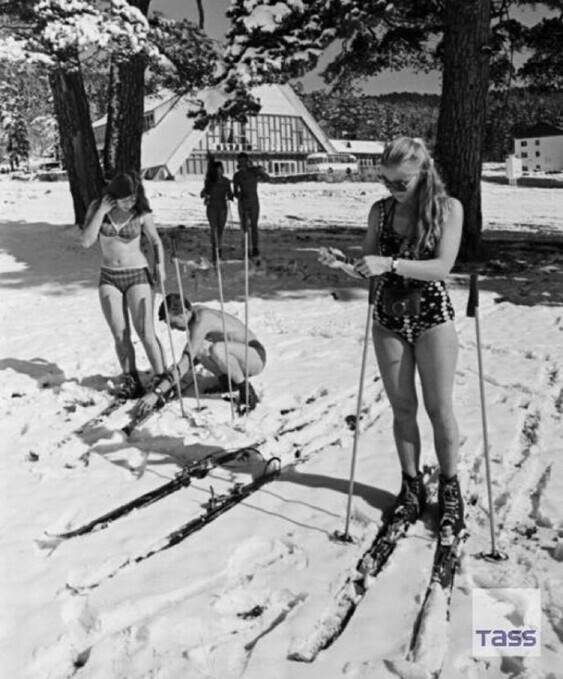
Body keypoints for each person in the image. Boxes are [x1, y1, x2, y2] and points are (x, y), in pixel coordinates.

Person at [322, 136, 464, 540]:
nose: (394, 191)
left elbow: (440, 268)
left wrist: (390, 261)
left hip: (432, 316)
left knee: (439, 408)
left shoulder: (447, 208)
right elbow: (372, 268)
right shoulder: (380, 211)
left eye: (401, 183)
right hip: (388, 317)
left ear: (424, 173)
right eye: (387, 183)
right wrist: (346, 266)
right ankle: (410, 485)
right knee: (402, 408)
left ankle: (451, 489)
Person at [81, 171, 166, 398]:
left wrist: (160, 266)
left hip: (137, 274)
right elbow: (87, 241)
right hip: (109, 277)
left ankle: (161, 377)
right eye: (127, 198)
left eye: (134, 198)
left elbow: (156, 241)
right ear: (113, 196)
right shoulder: (98, 209)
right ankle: (131, 378)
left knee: (145, 332)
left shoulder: (141, 213)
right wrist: (101, 212)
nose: (131, 202)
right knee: (120, 333)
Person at [134, 293, 266, 416]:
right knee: (201, 347)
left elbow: (185, 362)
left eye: (173, 323)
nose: (173, 328)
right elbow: (191, 355)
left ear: (185, 312)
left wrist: (157, 393)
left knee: (217, 349)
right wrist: (174, 377)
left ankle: (246, 391)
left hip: (254, 356)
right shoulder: (194, 313)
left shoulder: (202, 321)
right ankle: (228, 381)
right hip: (237, 355)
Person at [232, 152, 268, 259]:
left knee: (254, 225)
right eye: (239, 161)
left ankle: (255, 248)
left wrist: (260, 171)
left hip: (253, 202)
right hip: (243, 203)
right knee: (244, 227)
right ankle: (246, 249)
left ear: (247, 161)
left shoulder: (253, 172)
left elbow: (266, 178)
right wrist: (239, 196)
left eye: (243, 161)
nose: (241, 163)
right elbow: (235, 191)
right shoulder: (237, 175)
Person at [200, 160, 234, 261]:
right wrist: (206, 194)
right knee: (213, 229)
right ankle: (215, 251)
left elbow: (229, 193)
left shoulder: (226, 181)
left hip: (222, 207)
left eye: (220, 169)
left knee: (220, 230)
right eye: (217, 169)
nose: (219, 171)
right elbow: (202, 193)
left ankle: (219, 249)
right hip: (212, 208)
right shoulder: (209, 181)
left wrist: (231, 196)